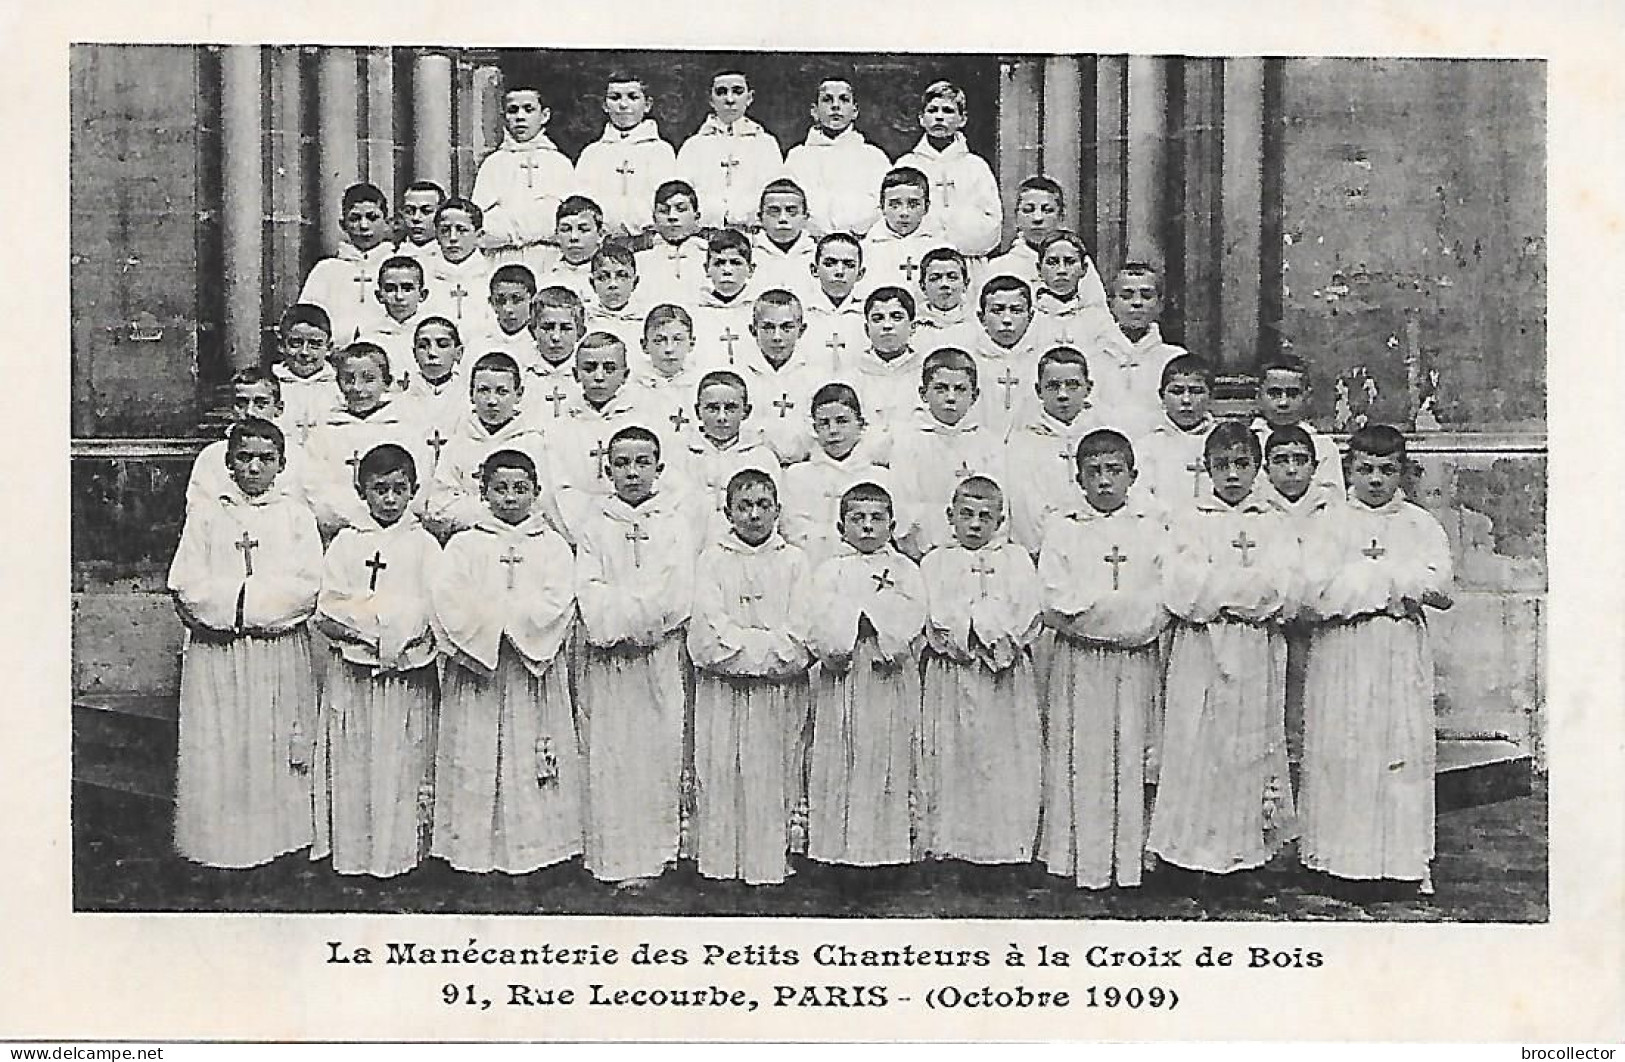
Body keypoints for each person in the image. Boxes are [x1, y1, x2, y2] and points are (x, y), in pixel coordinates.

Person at [1298, 425, 1453, 895]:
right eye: (1365, 470)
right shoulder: (1328, 522)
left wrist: (1367, 581)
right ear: (1348, 470)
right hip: (1342, 652)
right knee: (1342, 748)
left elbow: (1442, 587)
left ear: (1402, 472)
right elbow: (1313, 593)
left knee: (1398, 749)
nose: (1376, 480)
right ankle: (1337, 859)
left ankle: (1400, 862)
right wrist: (1389, 587)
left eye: (1387, 470)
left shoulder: (1418, 524)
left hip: (1397, 653)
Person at [167, 417, 322, 868]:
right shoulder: (209, 514)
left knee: (274, 738)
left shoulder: (295, 516)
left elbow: (308, 585)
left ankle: (278, 840)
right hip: (218, 650)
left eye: (265, 459)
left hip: (276, 649)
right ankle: (216, 843)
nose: (254, 468)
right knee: (222, 742)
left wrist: (250, 608)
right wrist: (231, 613)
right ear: (229, 463)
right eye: (244, 458)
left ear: (281, 464)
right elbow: (186, 583)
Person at [1147, 421, 1298, 881]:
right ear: (1207, 469)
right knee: (1197, 745)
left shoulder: (1273, 521)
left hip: (1255, 648)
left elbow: (1287, 590)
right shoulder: (1189, 519)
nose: (1232, 475)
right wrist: (1244, 594)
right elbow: (1180, 588)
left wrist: (1221, 591)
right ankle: (1189, 856)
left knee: (1248, 747)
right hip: (1201, 649)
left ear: (1258, 468)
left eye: (1242, 464)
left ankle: (1244, 856)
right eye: (1222, 465)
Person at [429, 448, 585, 874]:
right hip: (481, 671)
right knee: (475, 753)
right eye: (500, 489)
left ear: (536, 492)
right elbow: (447, 601)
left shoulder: (551, 545)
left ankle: (540, 851)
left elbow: (559, 600)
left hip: (529, 671)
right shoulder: (464, 544)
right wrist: (496, 631)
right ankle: (472, 853)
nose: (510, 498)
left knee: (531, 755)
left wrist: (504, 626)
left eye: (520, 489)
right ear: (483, 492)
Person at [1038, 430, 1169, 889]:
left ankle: (1131, 864)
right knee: (1081, 757)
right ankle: (1078, 861)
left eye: (1114, 471)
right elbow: (1056, 603)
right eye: (1094, 472)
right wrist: (1120, 613)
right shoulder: (1064, 528)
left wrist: (1101, 613)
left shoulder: (1151, 528)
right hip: (1080, 666)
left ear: (1132, 475)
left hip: (1135, 665)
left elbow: (1159, 605)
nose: (1104, 481)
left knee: (1131, 755)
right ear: (1079, 478)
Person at [573, 426, 699, 887]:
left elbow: (677, 590)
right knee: (610, 752)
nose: (631, 472)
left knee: (658, 750)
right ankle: (610, 856)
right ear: (608, 469)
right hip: (609, 661)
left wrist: (636, 620)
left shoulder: (673, 523)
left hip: (658, 656)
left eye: (641, 462)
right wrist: (621, 622)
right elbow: (588, 588)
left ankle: (658, 856)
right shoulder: (595, 524)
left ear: (658, 468)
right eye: (621, 463)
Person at [311, 443, 441, 877]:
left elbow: (434, 605)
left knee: (404, 761)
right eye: (379, 489)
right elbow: (329, 606)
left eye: (398, 489)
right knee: (356, 759)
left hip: (406, 676)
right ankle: (355, 856)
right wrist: (374, 631)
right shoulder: (347, 543)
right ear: (362, 492)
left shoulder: (424, 545)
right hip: (356, 673)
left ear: (413, 491)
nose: (389, 499)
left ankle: (402, 856)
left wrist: (395, 634)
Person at [686, 468, 813, 884]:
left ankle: (768, 865)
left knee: (771, 772)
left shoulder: (793, 561)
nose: (754, 515)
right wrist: (760, 651)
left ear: (777, 510)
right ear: (728, 512)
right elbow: (707, 631)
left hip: (776, 694)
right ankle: (721, 866)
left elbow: (800, 634)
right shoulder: (712, 559)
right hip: (723, 691)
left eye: (762, 506)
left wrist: (752, 654)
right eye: (744, 506)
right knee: (721, 770)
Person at [918, 476, 1043, 875]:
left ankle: (1005, 846)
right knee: (953, 755)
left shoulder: (1016, 560)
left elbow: (1027, 613)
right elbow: (933, 614)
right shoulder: (936, 561)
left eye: (985, 517)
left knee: (1002, 758)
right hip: (952, 672)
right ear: (949, 516)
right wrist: (965, 633)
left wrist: (986, 631)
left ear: (1001, 520)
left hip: (1002, 677)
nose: (975, 524)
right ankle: (950, 845)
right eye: (966, 515)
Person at [803, 481, 926, 876]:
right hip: (842, 678)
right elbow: (818, 617)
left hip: (886, 676)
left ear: (892, 524)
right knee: (841, 754)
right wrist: (849, 629)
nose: (868, 527)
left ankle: (886, 853)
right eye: (858, 519)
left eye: (877, 518)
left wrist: (873, 623)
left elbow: (912, 614)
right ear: (841, 527)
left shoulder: (905, 570)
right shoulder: (829, 569)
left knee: (886, 755)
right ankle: (836, 853)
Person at [1262, 424, 1339, 783]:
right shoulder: (1258, 510)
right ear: (1265, 467)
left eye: (1299, 460)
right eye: (1280, 460)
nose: (1291, 470)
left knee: (1313, 708)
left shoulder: (1332, 511)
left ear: (1314, 465)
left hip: (1318, 626)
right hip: (1270, 627)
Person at [426, 352, 559, 543]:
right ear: (471, 394)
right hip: (471, 541)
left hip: (523, 539)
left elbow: (542, 503)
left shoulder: (534, 443)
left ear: (518, 394)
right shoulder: (458, 443)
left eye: (502, 391)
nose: (492, 401)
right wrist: (490, 512)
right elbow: (439, 505)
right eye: (483, 390)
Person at [302, 343, 426, 542]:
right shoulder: (325, 432)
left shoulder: (405, 430)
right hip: (341, 533)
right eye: (349, 380)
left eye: (369, 379)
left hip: (398, 532)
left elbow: (419, 483)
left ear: (386, 382)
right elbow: (314, 487)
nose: (358, 388)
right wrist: (356, 519)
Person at [890, 348, 1006, 558]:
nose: (951, 397)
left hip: (980, 552)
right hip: (925, 552)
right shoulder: (909, 442)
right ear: (923, 393)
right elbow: (904, 507)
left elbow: (999, 502)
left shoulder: (990, 444)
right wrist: (925, 551)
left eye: (960, 389)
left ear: (975, 395)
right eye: (941, 389)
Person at [1003, 346, 1106, 554]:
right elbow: (1024, 505)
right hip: (1043, 548)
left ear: (1089, 388)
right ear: (1038, 390)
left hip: (1097, 545)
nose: (1063, 395)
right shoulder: (1022, 442)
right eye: (1053, 386)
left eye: (1072, 385)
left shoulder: (1104, 435)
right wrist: (1051, 543)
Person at [780, 383, 892, 569]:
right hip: (811, 566)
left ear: (861, 425)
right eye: (824, 423)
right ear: (815, 429)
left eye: (842, 421)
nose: (833, 430)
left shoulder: (880, 476)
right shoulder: (796, 476)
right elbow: (792, 531)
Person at [545, 332, 642, 531]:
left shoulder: (641, 423)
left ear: (625, 375)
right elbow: (557, 489)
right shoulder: (559, 429)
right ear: (575, 374)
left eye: (609, 369)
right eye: (589, 368)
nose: (599, 377)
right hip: (575, 525)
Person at [471, 85, 575, 269]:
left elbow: (564, 223)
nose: (520, 117)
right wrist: (536, 223)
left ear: (544, 116)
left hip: (549, 258)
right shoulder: (492, 165)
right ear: (504, 117)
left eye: (528, 109)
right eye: (513, 110)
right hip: (502, 258)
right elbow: (481, 227)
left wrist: (509, 223)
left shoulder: (560, 163)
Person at [896, 81, 1002, 257]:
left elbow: (992, 223)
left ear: (962, 119)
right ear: (921, 118)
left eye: (948, 111)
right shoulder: (906, 165)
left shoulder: (976, 167)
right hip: (917, 257)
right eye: (932, 110)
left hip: (967, 258)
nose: (939, 117)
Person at [186, 367, 306, 515]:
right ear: (231, 407)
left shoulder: (297, 456)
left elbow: (302, 512)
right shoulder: (211, 456)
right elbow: (199, 511)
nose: (250, 412)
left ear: (278, 408)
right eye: (241, 403)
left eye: (260, 403)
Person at [675, 370, 778, 538]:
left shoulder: (762, 457)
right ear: (697, 411)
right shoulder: (681, 456)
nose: (721, 417)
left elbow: (771, 517)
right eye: (712, 408)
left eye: (731, 408)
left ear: (746, 411)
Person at [573, 74, 677, 241]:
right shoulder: (592, 153)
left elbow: (666, 201)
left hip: (648, 240)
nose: (623, 105)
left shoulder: (661, 151)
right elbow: (582, 204)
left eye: (633, 97)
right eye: (615, 98)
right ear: (604, 105)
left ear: (647, 104)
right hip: (603, 241)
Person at [1090, 260, 1187, 439]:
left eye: (1146, 295)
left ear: (1160, 304)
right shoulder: (1091, 358)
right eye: (1126, 295)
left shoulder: (1175, 359)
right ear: (1110, 303)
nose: (1136, 303)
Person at [785, 77, 891, 239]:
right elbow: (787, 203)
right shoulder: (797, 157)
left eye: (844, 99)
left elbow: (886, 204)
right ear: (814, 111)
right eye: (827, 100)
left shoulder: (874, 157)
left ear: (855, 111)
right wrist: (813, 230)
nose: (835, 106)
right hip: (810, 242)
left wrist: (859, 231)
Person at [676, 70, 784, 231]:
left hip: (751, 234)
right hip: (704, 234)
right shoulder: (694, 145)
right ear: (711, 100)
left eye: (737, 91)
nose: (730, 99)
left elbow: (775, 195)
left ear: (749, 98)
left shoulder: (765, 144)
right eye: (721, 92)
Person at [738, 288, 835, 464]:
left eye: (786, 328)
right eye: (768, 327)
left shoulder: (817, 377)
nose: (777, 337)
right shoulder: (740, 375)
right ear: (753, 330)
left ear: (801, 330)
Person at [985, 178, 1108, 310]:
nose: (1038, 218)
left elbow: (1097, 310)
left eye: (1047, 210)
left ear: (1061, 216)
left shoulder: (1077, 262)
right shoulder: (999, 266)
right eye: (1028, 210)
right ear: (1016, 217)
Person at [298, 183, 397, 347]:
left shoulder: (400, 267)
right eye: (355, 219)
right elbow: (308, 319)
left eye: (372, 217)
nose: (364, 226)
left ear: (387, 222)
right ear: (343, 225)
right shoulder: (326, 270)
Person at [1251, 355, 1345, 507]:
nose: (1283, 402)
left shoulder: (1323, 446)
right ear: (1259, 396)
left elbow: (1333, 500)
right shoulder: (1247, 441)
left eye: (1292, 394)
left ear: (1307, 396)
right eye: (1274, 394)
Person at [1133, 354, 1218, 517]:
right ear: (1162, 396)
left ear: (1211, 396)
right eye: (1177, 392)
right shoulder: (1147, 447)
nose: (1186, 400)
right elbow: (1141, 497)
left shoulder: (1222, 442)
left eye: (1196, 391)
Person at [966, 275, 1046, 441]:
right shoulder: (969, 360)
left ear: (1030, 317)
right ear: (981, 318)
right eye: (997, 310)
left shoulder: (1042, 360)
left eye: (1016, 310)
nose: (1007, 320)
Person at [844, 285, 927, 433]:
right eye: (878, 319)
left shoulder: (924, 374)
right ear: (866, 329)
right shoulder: (852, 377)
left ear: (913, 326)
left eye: (896, 317)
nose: (887, 325)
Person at [862, 167, 943, 298]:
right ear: (882, 207)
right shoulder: (867, 249)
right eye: (894, 205)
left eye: (913, 204)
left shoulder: (940, 246)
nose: (904, 213)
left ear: (926, 207)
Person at [352, 256, 431, 386]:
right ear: (379, 296)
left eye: (407, 288)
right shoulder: (369, 338)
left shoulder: (432, 334)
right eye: (390, 289)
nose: (399, 296)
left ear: (422, 295)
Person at [271, 303, 342, 447]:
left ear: (329, 348)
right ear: (281, 345)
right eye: (296, 343)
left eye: (315, 344)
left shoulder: (340, 386)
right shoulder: (270, 384)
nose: (304, 352)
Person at [423, 198, 496, 336]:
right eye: (445, 230)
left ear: (479, 236)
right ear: (436, 235)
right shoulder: (425, 275)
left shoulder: (491, 275)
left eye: (461, 230)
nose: (453, 238)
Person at [1030, 231, 1116, 349]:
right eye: (1052, 263)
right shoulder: (1031, 317)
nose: (1061, 270)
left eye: (1070, 262)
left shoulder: (1098, 319)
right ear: (1039, 269)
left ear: (1084, 268)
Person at [690, 228, 759, 373]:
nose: (727, 270)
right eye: (719, 263)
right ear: (706, 269)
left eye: (735, 263)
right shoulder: (695, 312)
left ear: (751, 269)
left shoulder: (758, 310)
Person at [800, 232, 869, 371]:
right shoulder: (801, 311)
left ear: (860, 273)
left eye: (849, 265)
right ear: (814, 270)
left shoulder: (868, 313)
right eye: (830, 263)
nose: (839, 271)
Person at [636, 180, 708, 306]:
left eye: (681, 209)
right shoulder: (639, 262)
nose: (672, 217)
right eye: (664, 211)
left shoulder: (712, 259)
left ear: (697, 217)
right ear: (654, 218)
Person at [752, 178, 819, 304]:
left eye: (791, 211)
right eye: (774, 211)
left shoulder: (819, 258)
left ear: (806, 216)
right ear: (760, 217)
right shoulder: (749, 256)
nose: (783, 218)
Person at [583, 241, 649, 370]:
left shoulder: (644, 321)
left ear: (635, 282)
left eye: (622, 276)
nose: (613, 284)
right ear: (592, 283)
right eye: (603, 277)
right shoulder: (585, 320)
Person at [532, 196, 606, 303]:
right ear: (557, 235)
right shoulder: (545, 281)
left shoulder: (612, 278)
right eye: (565, 230)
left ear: (600, 234)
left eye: (583, 230)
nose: (574, 237)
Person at [466, 264, 540, 368]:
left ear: (532, 300)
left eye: (517, 299)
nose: (508, 308)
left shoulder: (540, 345)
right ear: (491, 303)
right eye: (500, 301)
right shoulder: (478, 345)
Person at [526, 286, 587, 398]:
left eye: (565, 328)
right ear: (532, 330)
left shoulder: (588, 377)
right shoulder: (523, 375)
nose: (555, 337)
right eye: (547, 327)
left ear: (580, 332)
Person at [915, 246, 977, 336]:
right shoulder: (912, 327)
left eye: (952, 277)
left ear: (965, 284)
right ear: (923, 286)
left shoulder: (977, 323)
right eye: (935, 278)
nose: (944, 284)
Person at [393, 179, 447, 264]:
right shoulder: (391, 253)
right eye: (409, 211)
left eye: (426, 211)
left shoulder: (450, 257)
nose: (416, 218)